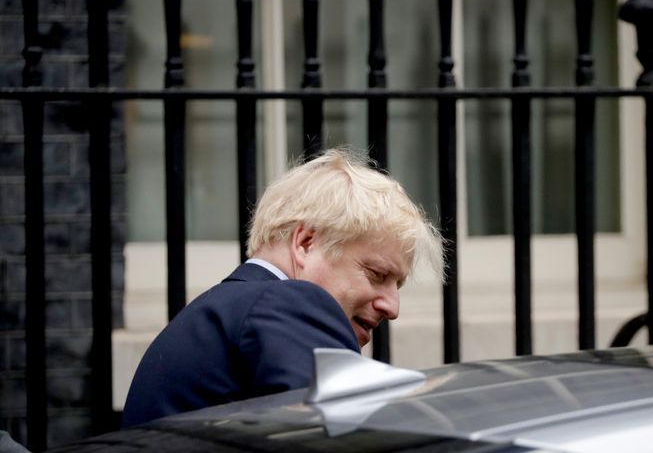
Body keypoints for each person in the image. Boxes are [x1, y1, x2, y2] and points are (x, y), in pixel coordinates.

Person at [121, 148, 444, 427]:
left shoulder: (227, 310)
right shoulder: (286, 302)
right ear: (305, 243)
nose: (393, 307)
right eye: (376, 274)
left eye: (397, 285)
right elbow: (344, 438)